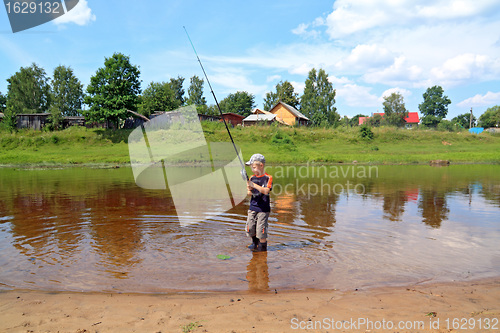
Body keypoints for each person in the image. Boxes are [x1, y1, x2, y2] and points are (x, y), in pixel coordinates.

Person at [245, 153, 272, 252]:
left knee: (261, 230)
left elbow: (266, 191)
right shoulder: (252, 178)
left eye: (254, 167)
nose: (252, 170)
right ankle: (254, 243)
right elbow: (249, 194)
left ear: (261, 165)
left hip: (263, 209)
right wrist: (249, 188)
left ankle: (262, 248)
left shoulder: (268, 178)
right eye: (251, 168)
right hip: (253, 207)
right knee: (250, 228)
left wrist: (254, 185)